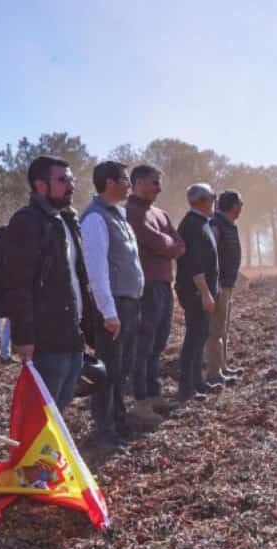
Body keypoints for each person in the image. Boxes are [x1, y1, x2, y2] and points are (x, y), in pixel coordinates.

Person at [2, 156, 95, 413]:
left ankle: (54, 455)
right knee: (40, 416)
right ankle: (37, 455)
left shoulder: (66, 220)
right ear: (40, 186)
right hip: (45, 342)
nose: (71, 185)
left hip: (72, 336)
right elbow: (18, 285)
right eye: (63, 180)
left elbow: (79, 277)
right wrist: (23, 337)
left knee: (60, 412)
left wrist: (90, 326)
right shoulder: (27, 221)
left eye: (72, 179)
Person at [81, 161, 147, 447]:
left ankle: (119, 422)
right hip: (113, 307)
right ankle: (104, 431)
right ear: (110, 182)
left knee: (122, 368)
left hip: (129, 303)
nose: (129, 184)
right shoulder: (95, 218)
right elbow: (97, 271)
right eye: (125, 179)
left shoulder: (117, 215)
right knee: (108, 370)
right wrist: (108, 312)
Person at [126, 164, 185, 421]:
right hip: (145, 287)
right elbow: (154, 241)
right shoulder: (130, 212)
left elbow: (179, 244)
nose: (159, 188)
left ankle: (154, 393)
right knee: (144, 344)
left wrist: (167, 245)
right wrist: (168, 244)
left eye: (159, 182)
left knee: (159, 343)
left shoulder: (161, 213)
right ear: (137, 182)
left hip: (164, 284)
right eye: (154, 182)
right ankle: (140, 402)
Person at [176, 183, 221, 403]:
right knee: (194, 338)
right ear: (202, 201)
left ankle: (197, 382)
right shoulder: (192, 225)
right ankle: (187, 388)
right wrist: (205, 292)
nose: (215, 201)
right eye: (213, 197)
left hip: (202, 290)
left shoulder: (202, 222)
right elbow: (194, 263)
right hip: (194, 291)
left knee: (200, 335)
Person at [205, 189, 246, 385]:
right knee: (215, 331)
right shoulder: (216, 224)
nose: (242, 208)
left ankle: (223, 366)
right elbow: (210, 256)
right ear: (234, 205)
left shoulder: (228, 225)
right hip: (219, 285)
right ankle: (213, 374)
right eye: (241, 203)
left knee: (223, 329)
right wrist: (215, 284)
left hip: (227, 284)